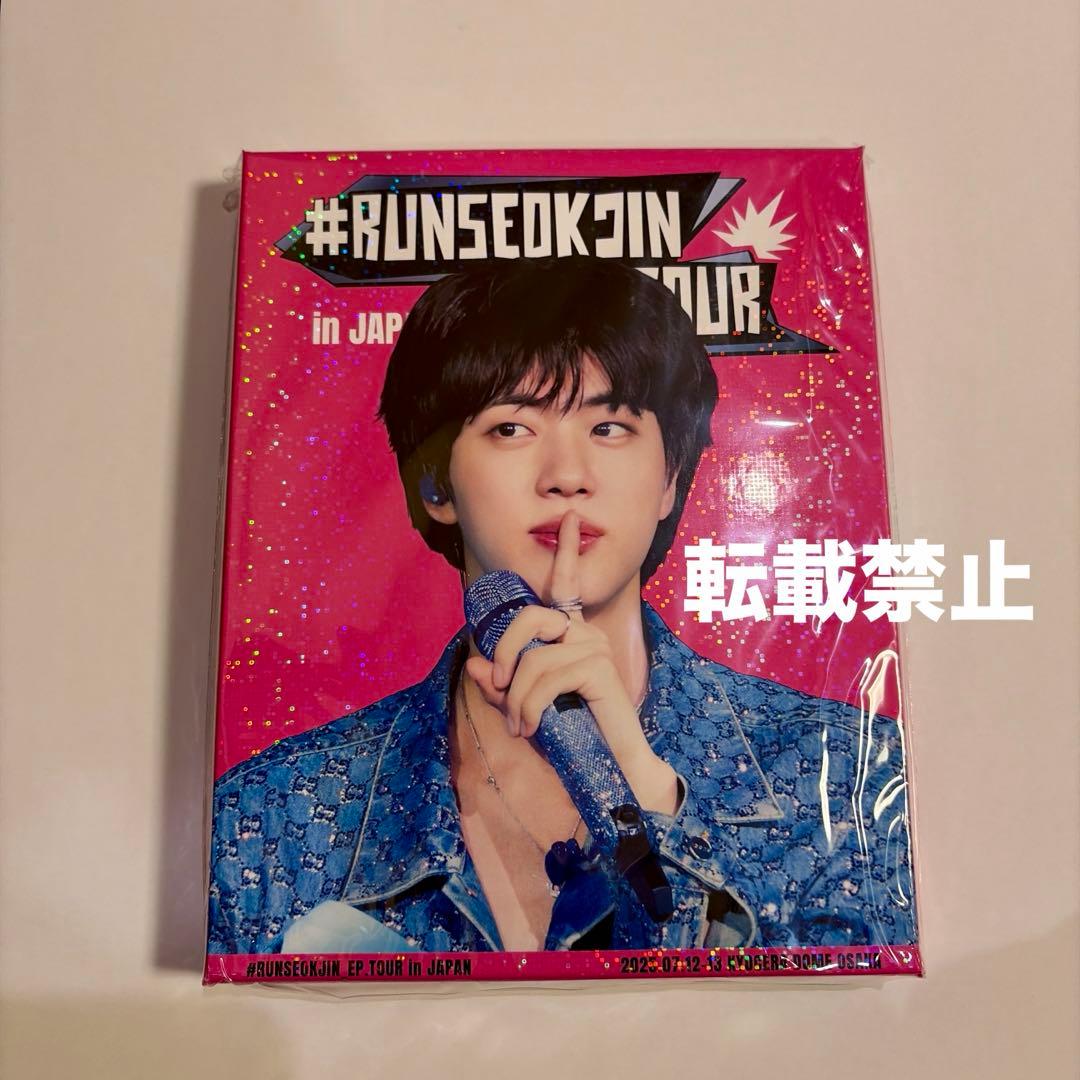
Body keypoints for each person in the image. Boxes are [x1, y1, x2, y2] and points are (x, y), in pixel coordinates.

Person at [207, 257, 917, 955]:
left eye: (609, 428)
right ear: (436, 485)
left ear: (669, 479)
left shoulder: (848, 778)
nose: (568, 476)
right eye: (512, 428)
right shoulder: (272, 815)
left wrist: (646, 800)